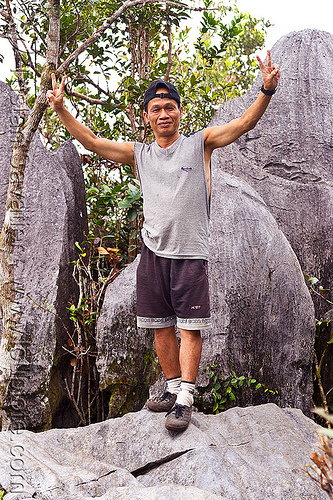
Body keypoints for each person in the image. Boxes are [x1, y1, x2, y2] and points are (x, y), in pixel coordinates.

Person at [47, 50, 280, 432]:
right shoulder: (138, 154)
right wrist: (61, 109)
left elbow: (242, 124)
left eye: (169, 107)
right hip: (153, 253)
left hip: (189, 253)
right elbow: (89, 140)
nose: (163, 114)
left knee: (189, 327)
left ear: (179, 112)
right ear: (147, 116)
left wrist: (266, 90)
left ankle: (186, 397)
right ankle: (172, 389)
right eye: (156, 109)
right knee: (158, 325)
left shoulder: (199, 143)